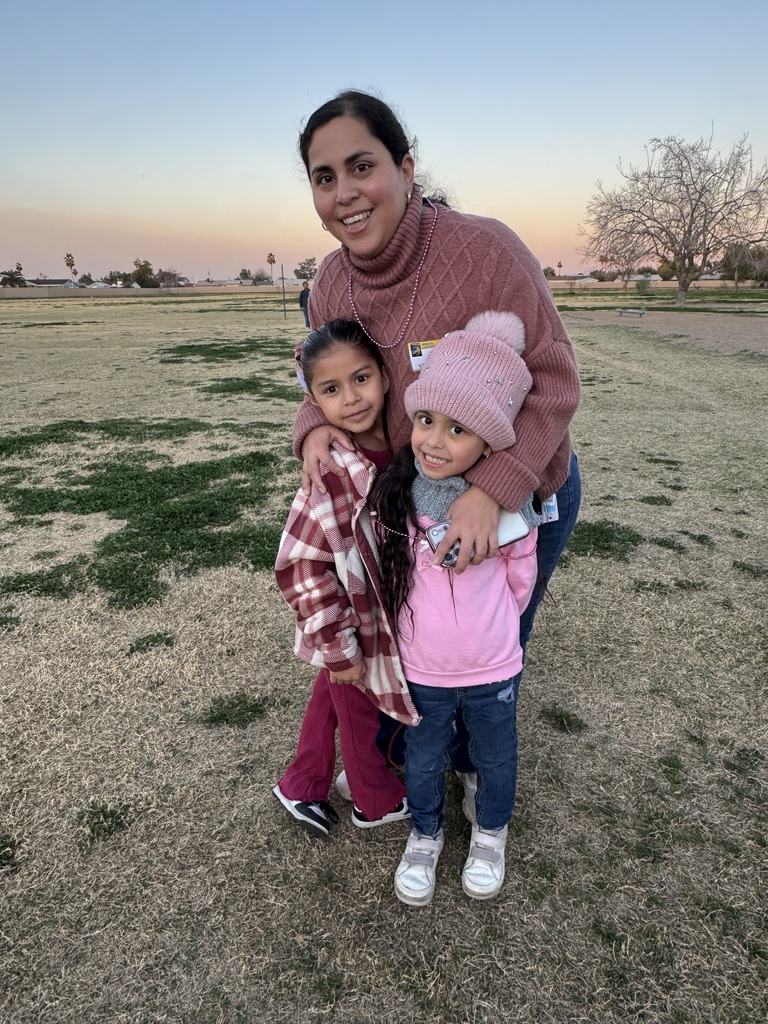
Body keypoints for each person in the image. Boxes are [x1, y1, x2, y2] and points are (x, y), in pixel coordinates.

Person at [293, 89, 582, 804]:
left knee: (490, 647)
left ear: (407, 167)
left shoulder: (486, 251)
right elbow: (322, 381)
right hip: (410, 502)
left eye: (362, 166)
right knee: (425, 641)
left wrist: (494, 491)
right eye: (324, 178)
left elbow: (554, 380)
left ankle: (482, 771)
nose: (344, 194)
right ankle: (429, 757)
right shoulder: (329, 282)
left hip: (519, 501)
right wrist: (312, 428)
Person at [369, 310, 539, 905]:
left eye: (458, 430)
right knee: (422, 758)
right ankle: (425, 834)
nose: (434, 441)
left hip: (493, 666)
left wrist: (494, 630)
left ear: (490, 441)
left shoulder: (505, 510)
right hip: (423, 670)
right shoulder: (396, 497)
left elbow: (521, 580)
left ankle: (490, 833)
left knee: (496, 756)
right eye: (425, 420)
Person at [273, 318, 418, 840]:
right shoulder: (332, 468)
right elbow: (299, 564)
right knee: (352, 689)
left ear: (384, 375)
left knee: (338, 680)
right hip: (351, 613)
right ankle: (373, 797)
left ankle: (302, 782)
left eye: (361, 379)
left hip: (381, 605)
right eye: (330, 390)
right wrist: (336, 645)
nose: (351, 398)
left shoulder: (413, 441)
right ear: (312, 400)